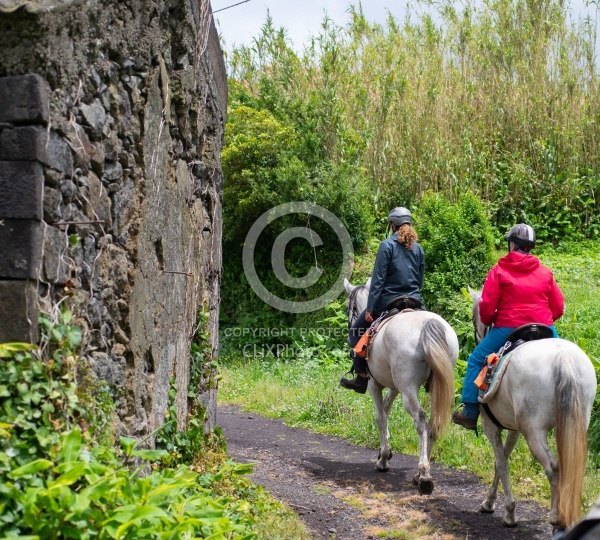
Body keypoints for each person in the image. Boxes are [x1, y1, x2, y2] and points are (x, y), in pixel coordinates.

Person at [452, 223, 565, 430]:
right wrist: (545, 320)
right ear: (531, 247)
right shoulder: (545, 272)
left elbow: (486, 308)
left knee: (476, 359)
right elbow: (558, 306)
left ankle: (469, 413)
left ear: (512, 245)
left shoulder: (499, 270)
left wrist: (490, 319)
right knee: (565, 361)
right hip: (544, 328)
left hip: (508, 327)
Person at [340, 207, 425, 393]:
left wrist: (370, 308)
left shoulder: (387, 245)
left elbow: (378, 280)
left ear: (391, 225)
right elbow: (419, 281)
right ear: (409, 224)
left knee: (355, 332)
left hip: (389, 301)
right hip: (416, 301)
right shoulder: (418, 249)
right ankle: (432, 377)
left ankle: (361, 378)